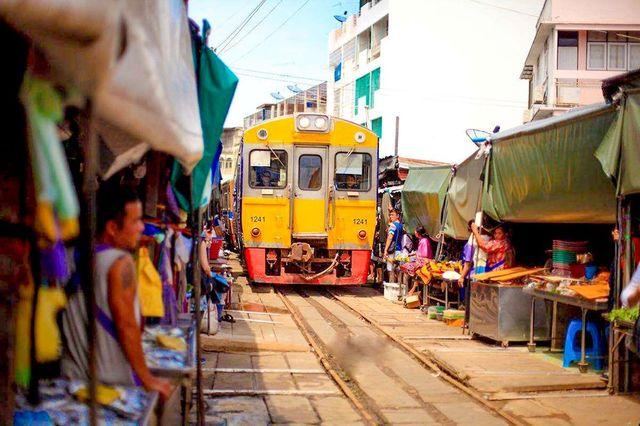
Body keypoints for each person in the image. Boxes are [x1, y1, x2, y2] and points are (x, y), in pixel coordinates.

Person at [62, 187, 171, 400]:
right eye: (136, 221)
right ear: (112, 227)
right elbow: (127, 325)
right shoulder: (120, 263)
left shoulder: (68, 257)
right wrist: (148, 379)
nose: (142, 227)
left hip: (70, 383)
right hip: (109, 387)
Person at [405, 226, 433, 297]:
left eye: (415, 231)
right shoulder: (422, 240)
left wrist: (416, 255)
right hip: (421, 261)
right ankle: (412, 289)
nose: (414, 232)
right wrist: (414, 254)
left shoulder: (424, 241)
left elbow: (425, 254)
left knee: (411, 269)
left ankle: (413, 289)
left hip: (424, 262)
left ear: (418, 233)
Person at [383, 209, 404, 283]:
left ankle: (391, 285)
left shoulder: (393, 225)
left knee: (390, 269)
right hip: (399, 250)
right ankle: (399, 287)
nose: (390, 216)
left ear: (398, 216)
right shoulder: (401, 226)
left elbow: (390, 237)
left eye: (392, 215)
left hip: (392, 251)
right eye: (390, 215)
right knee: (398, 269)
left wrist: (385, 250)